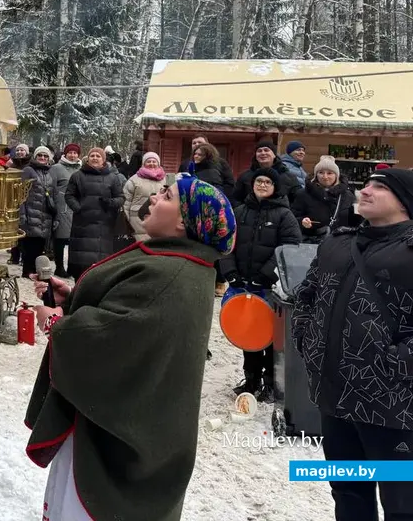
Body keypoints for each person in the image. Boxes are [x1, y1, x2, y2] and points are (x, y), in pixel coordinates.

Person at [24, 175, 236, 521]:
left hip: (112, 442)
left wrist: (57, 323)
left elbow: (111, 336)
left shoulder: (169, 273)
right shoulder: (179, 263)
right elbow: (127, 311)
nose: (153, 198)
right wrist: (75, 297)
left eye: (165, 195)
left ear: (185, 220)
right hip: (115, 426)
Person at [293, 168, 413, 521]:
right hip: (336, 399)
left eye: (381, 186)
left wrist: (396, 363)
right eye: (367, 183)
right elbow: (307, 293)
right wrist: (305, 338)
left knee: (402, 503)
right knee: (348, 492)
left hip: (394, 406)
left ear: (405, 201)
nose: (367, 190)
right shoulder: (337, 242)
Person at [219, 167, 301, 401]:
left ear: (275, 187)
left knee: (271, 336)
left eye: (267, 182)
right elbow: (226, 242)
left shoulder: (284, 216)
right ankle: (251, 378)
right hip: (242, 283)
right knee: (249, 331)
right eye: (259, 181)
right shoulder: (240, 212)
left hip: (269, 287)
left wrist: (267, 274)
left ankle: (271, 382)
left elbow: (290, 247)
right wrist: (229, 271)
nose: (262, 185)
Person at [63, 147, 124, 281]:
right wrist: (78, 208)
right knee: (81, 264)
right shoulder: (77, 176)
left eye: (98, 156)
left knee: (100, 266)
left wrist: (110, 202)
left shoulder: (112, 178)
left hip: (104, 225)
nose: (95, 158)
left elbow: (120, 197)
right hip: (82, 225)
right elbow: (69, 195)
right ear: (88, 158)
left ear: (103, 160)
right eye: (92, 156)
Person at [291, 155, 358, 243]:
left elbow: (355, 223)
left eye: (329, 173)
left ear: (336, 176)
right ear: (316, 175)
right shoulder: (303, 194)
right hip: (311, 243)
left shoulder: (348, 196)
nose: (325, 177)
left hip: (340, 243)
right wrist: (301, 222)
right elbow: (292, 219)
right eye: (321, 172)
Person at [18, 146, 57, 277]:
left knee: (40, 245)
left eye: (45, 156)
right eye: (40, 155)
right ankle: (27, 271)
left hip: (45, 215)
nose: (43, 158)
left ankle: (36, 271)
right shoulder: (28, 170)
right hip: (30, 213)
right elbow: (20, 193)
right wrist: (22, 214)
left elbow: (54, 194)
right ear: (35, 156)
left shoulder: (50, 172)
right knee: (30, 245)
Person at [231, 139, 300, 206]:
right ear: (256, 156)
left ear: (274, 155)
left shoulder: (289, 177)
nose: (263, 153)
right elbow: (235, 199)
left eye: (266, 150)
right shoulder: (245, 176)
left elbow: (297, 200)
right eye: (259, 151)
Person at [49, 143, 83, 276]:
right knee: (60, 239)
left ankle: (72, 268)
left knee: (74, 241)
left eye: (75, 153)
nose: (73, 155)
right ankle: (59, 267)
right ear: (65, 153)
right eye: (70, 152)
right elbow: (51, 187)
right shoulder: (57, 168)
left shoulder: (81, 169)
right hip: (62, 206)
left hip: (77, 207)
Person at [123, 151, 171, 242]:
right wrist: (127, 220)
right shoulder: (134, 180)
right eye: (148, 161)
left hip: (159, 218)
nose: (151, 163)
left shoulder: (166, 180)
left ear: (158, 163)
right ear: (143, 163)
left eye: (154, 161)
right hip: (137, 221)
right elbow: (126, 201)